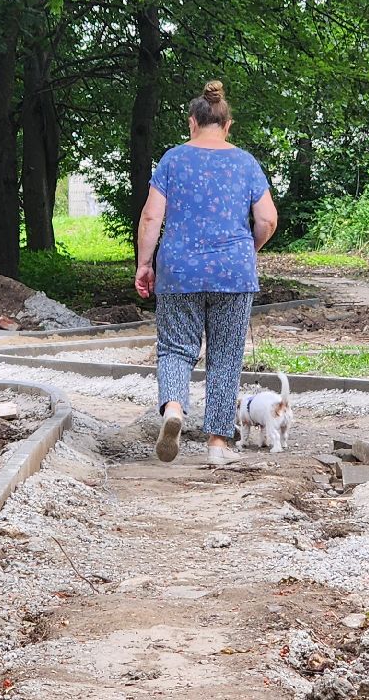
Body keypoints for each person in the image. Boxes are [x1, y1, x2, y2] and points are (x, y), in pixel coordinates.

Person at [135, 80, 279, 466]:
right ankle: (218, 444)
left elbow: (151, 216)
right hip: (233, 273)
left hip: (179, 270)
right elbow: (267, 219)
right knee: (225, 356)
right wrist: (246, 250)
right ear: (227, 125)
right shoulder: (245, 162)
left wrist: (144, 265)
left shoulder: (173, 160)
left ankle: (175, 410)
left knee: (175, 349)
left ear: (191, 123)